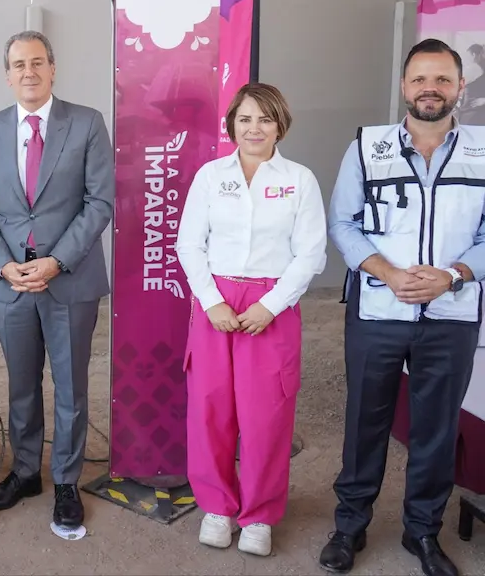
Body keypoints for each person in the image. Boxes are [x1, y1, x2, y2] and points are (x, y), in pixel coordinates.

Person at [320, 37, 485, 576]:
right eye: (419, 79)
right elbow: (342, 223)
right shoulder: (368, 147)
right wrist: (387, 272)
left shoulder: (484, 151)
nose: (430, 89)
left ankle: (422, 533)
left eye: (441, 79)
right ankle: (350, 527)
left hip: (451, 315)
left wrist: (453, 275)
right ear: (404, 87)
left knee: (436, 428)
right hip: (378, 313)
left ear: (461, 87)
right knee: (365, 422)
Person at [0, 30, 114, 529]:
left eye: (37, 63)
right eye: (17, 65)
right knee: (21, 385)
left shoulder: (87, 124)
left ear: (53, 68)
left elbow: (99, 204)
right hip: (11, 283)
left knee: (71, 387)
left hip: (68, 280)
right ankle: (27, 471)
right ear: (7, 75)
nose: (28, 72)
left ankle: (67, 481)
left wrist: (56, 261)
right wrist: (6, 266)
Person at [176, 83, 327, 557]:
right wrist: (211, 301)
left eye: (264, 119)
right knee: (211, 410)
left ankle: (259, 514)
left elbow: (311, 254)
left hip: (270, 304)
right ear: (232, 126)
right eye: (245, 119)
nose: (254, 128)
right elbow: (188, 244)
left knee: (266, 416)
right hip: (216, 303)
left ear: (280, 123)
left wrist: (272, 305)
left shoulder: (299, 180)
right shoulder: (209, 176)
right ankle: (218, 507)